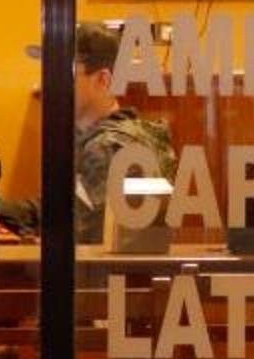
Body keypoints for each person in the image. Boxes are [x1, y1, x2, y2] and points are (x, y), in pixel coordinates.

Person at [50, 23, 173, 242]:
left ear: (103, 80)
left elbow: (81, 241)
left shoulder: (106, 149)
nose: (52, 84)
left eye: (66, 73)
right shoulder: (120, 134)